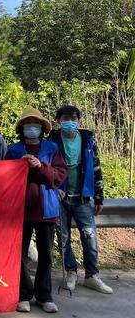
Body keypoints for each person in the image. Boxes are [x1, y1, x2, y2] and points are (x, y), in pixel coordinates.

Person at [6, 107, 67, 314]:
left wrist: (40, 166)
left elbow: (60, 175)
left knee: (46, 255)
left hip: (46, 210)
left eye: (36, 124)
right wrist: (18, 166)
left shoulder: (51, 149)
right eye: (27, 124)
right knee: (20, 255)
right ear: (22, 128)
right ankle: (24, 295)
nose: (32, 127)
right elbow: (4, 177)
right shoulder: (13, 150)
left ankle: (44, 295)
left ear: (42, 128)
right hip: (20, 211)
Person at [50, 105, 113, 294]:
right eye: (66, 118)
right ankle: (71, 272)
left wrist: (99, 196)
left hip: (83, 197)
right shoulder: (52, 140)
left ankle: (92, 275)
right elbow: (48, 167)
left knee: (89, 236)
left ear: (79, 120)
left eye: (74, 118)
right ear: (58, 121)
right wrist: (53, 190)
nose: (70, 121)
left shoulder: (87, 140)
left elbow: (96, 167)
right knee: (63, 237)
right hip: (60, 196)